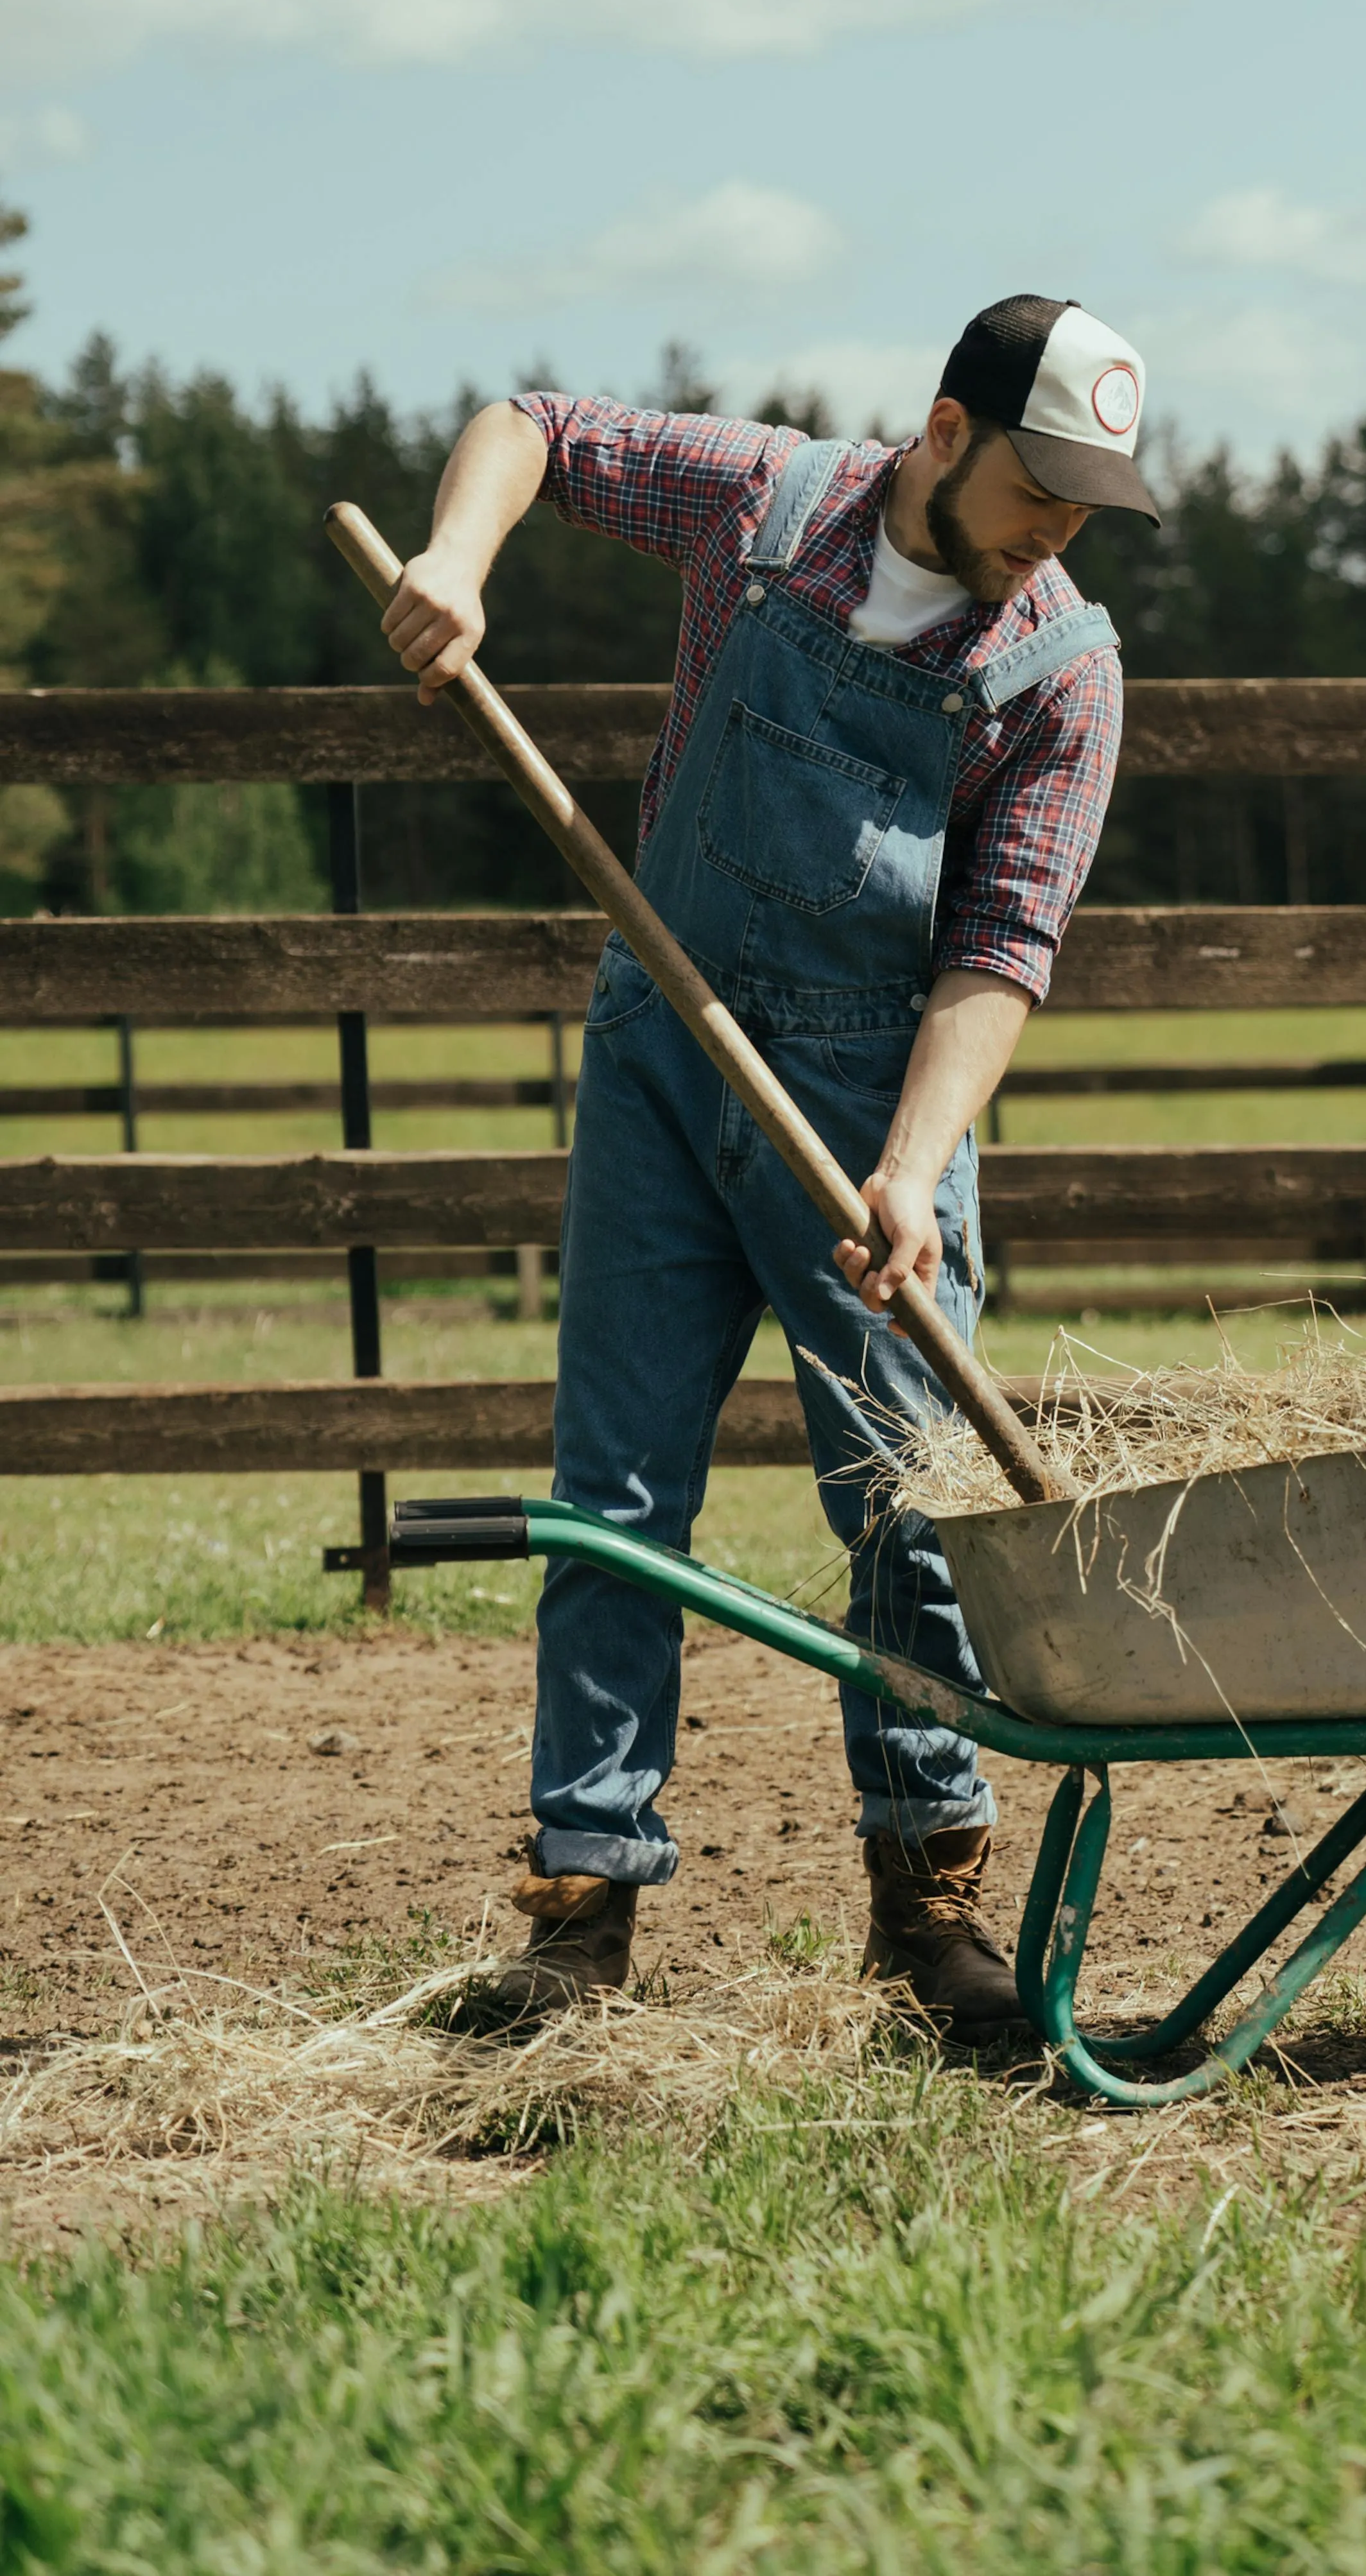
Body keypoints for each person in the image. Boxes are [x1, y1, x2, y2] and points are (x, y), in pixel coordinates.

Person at [379, 295, 1157, 2034]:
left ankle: (931, 1903)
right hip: (663, 1054)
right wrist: (456, 559)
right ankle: (580, 1910)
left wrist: (912, 1173)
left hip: (873, 1119)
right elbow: (538, 429)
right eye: (1044, 485)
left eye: (1092, 505)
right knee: (615, 1500)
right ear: (948, 434)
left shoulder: (1058, 669)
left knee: (911, 1515)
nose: (1060, 533)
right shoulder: (765, 510)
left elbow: (1000, 951)